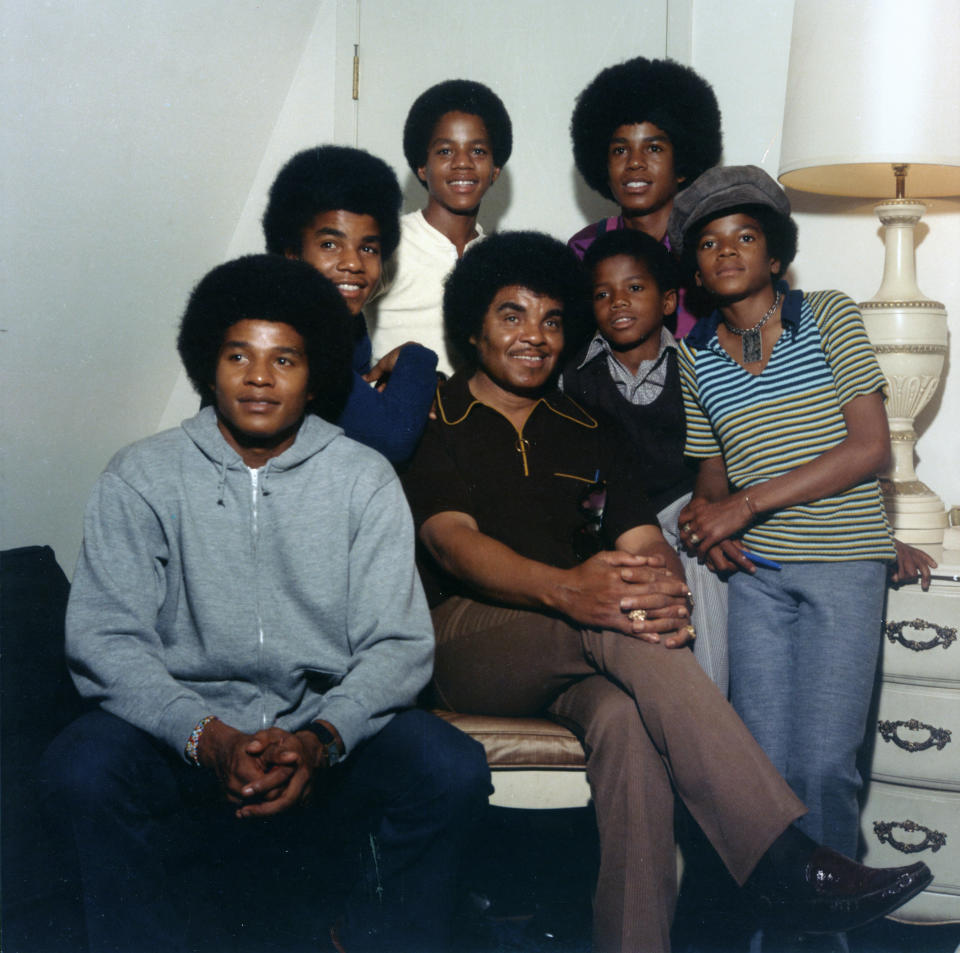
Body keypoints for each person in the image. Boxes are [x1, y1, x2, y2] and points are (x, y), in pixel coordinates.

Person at [401, 230, 931, 953]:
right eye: (512, 315)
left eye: (552, 320)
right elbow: (449, 542)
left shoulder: (585, 427)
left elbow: (645, 542)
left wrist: (661, 588)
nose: (535, 337)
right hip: (470, 639)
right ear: (473, 325)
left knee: (628, 724)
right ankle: (781, 858)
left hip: (583, 648)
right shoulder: (436, 414)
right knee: (615, 616)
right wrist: (570, 590)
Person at [41, 255, 490, 953]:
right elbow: (105, 638)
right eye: (238, 356)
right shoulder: (142, 474)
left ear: (315, 379)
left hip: (322, 726)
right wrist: (208, 735)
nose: (258, 377)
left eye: (284, 359)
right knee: (81, 767)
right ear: (207, 366)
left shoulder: (362, 478)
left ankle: (372, 936)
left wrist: (321, 737)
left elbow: (398, 644)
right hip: (182, 730)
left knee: (451, 767)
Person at [670, 165, 916, 878]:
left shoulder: (829, 314)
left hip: (843, 564)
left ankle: (827, 934)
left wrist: (744, 504)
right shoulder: (695, 357)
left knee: (823, 765)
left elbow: (869, 447)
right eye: (710, 242)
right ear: (696, 267)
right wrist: (705, 518)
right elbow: (712, 475)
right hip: (761, 579)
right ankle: (770, 934)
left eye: (745, 236)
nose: (726, 251)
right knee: (763, 774)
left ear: (775, 254)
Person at [560, 228, 728, 692]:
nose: (618, 302)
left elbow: (723, 456)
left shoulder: (697, 366)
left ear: (669, 301)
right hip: (615, 521)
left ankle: (712, 710)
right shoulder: (572, 377)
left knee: (703, 568)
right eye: (602, 293)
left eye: (634, 288)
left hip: (683, 510)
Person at [263, 144, 438, 462]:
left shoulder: (342, 320)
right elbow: (393, 438)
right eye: (330, 244)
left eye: (368, 248)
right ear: (292, 253)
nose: (353, 263)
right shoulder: (284, 334)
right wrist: (416, 357)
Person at [568, 56, 722, 337]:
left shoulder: (709, 246)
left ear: (682, 165)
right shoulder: (584, 248)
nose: (634, 162)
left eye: (653, 148)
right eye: (620, 150)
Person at [367, 79, 512, 375]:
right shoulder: (390, 242)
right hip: (399, 413)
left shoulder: (498, 258)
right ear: (422, 166)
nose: (463, 163)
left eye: (478, 151)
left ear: (495, 169)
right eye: (445, 151)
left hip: (471, 417)